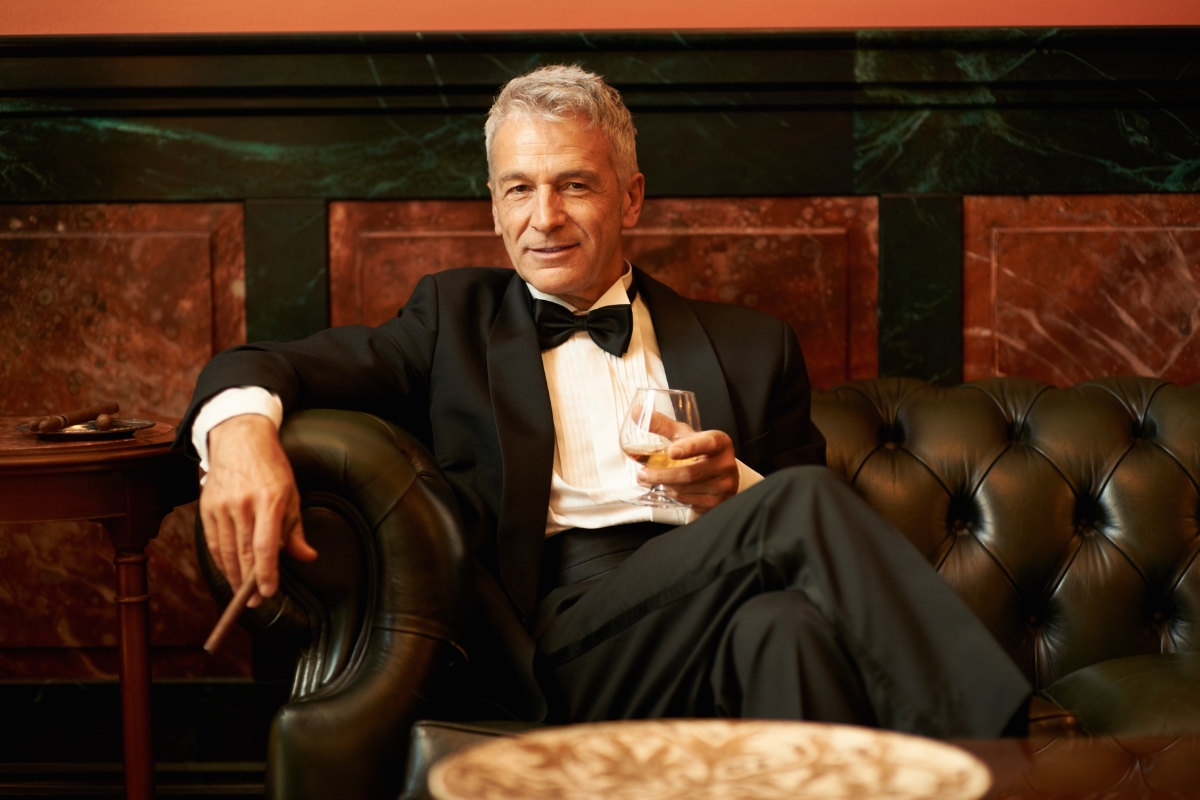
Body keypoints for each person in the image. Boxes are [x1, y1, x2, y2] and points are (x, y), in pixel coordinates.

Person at [179, 65, 1032, 736]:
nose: (543, 218)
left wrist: (728, 489)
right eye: (519, 188)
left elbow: (813, 557)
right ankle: (995, 743)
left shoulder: (750, 344)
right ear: (494, 205)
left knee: (786, 628)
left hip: (712, 618)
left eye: (574, 186)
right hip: (564, 640)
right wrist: (243, 432)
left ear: (630, 197)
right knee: (794, 503)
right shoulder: (450, 320)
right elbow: (264, 362)